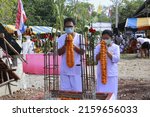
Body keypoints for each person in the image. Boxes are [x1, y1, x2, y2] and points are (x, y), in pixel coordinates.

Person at [57, 17, 84, 91]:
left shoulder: (80, 37)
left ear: (74, 27)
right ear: (64, 27)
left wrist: (72, 45)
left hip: (76, 69)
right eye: (67, 27)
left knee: (77, 91)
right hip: (65, 69)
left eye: (70, 26)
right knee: (65, 92)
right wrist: (65, 45)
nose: (69, 28)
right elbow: (59, 53)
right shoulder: (61, 38)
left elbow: (82, 52)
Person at [94, 30, 120, 100]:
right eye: (103, 38)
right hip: (101, 74)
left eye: (107, 38)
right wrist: (101, 51)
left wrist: (107, 52)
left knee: (112, 95)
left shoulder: (116, 47)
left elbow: (117, 59)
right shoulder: (98, 47)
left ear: (111, 38)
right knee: (101, 94)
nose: (105, 40)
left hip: (112, 75)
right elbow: (95, 58)